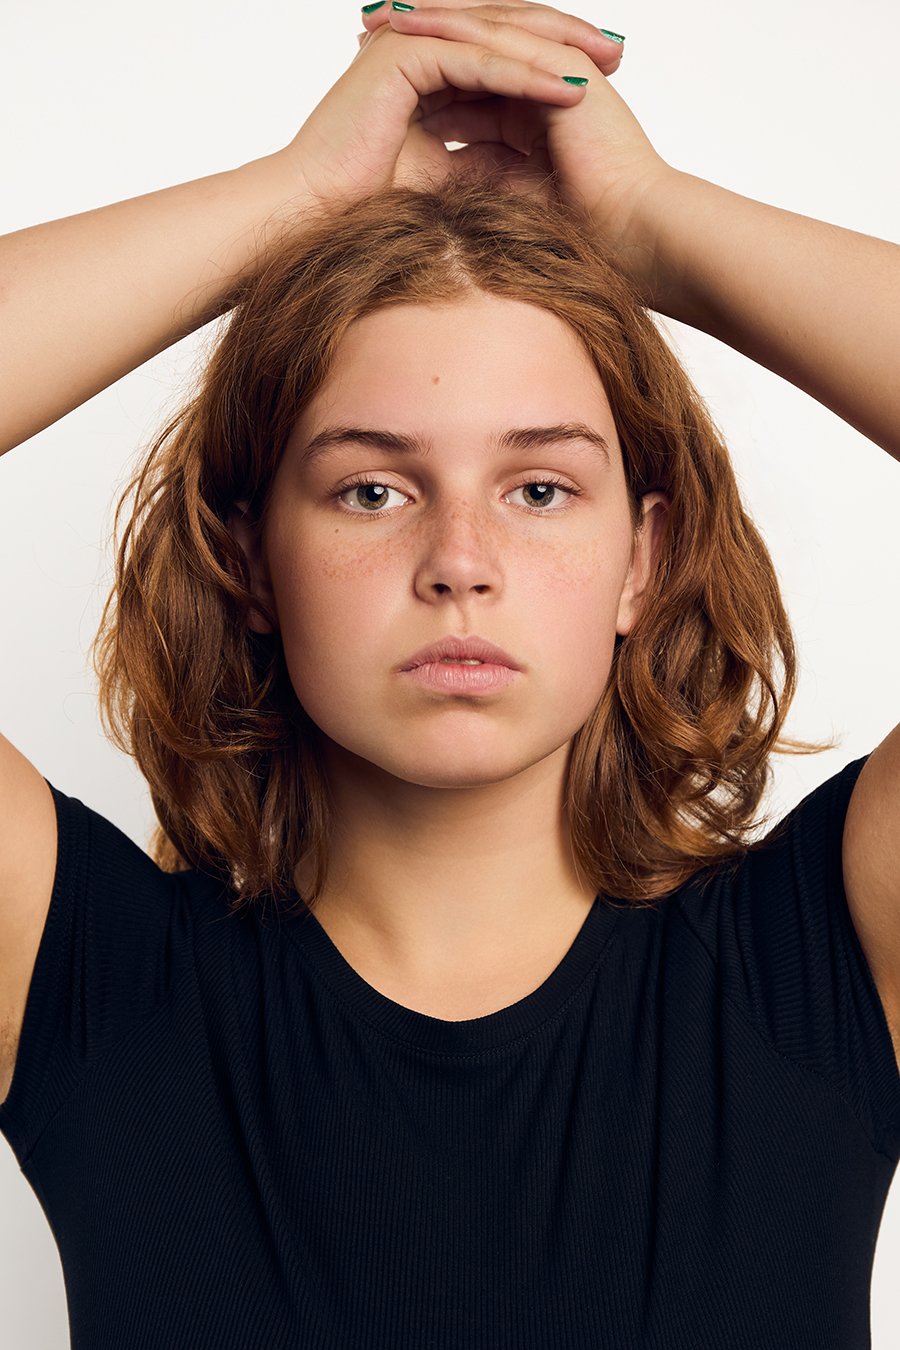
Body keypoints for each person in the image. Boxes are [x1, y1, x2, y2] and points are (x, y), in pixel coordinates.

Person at [1, 3, 899, 1346]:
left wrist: (655, 223)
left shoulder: (819, 962)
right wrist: (292, 203)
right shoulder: (85, 977)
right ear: (249, 555)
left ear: (641, 560)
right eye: (371, 488)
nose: (459, 559)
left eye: (540, 486)